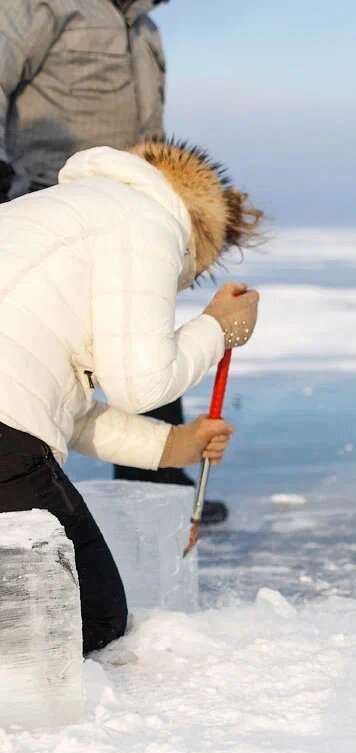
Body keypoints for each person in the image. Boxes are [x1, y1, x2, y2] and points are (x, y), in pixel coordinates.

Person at [0, 138, 263, 653]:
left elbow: (55, 404)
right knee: (89, 618)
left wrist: (173, 446)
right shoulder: (147, 222)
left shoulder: (57, 212)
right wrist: (217, 329)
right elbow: (139, 385)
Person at [0, 0, 228, 524]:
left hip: (134, 218)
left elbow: (153, 136)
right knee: (44, 369)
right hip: (47, 201)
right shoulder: (45, 5)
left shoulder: (145, 30)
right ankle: (31, 486)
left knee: (137, 342)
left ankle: (157, 487)